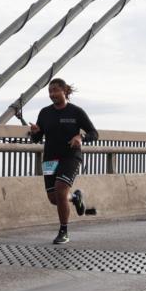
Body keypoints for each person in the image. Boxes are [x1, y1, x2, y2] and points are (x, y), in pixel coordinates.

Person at [29, 78, 98, 244]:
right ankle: (75, 198)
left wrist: (80, 137)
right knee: (54, 199)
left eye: (55, 90)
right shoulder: (45, 113)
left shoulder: (76, 112)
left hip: (70, 157)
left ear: (64, 91)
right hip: (50, 158)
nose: (52, 94)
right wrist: (35, 132)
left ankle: (63, 231)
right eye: (50, 92)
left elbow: (94, 133)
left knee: (60, 191)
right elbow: (37, 139)